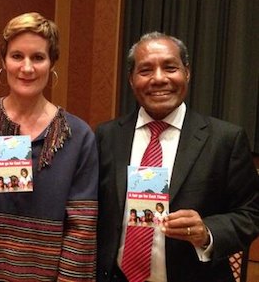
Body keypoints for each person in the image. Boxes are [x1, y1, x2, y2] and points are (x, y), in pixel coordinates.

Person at [95, 31, 259, 282]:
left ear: (187, 73)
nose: (159, 78)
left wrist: (207, 231)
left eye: (170, 67)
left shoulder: (225, 140)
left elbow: (251, 212)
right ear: (131, 79)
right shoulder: (106, 137)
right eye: (146, 70)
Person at [0, 12, 98, 281]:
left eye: (38, 57)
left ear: (52, 63)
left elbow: (81, 231)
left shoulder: (79, 136)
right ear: (4, 61)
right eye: (17, 56)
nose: (27, 68)